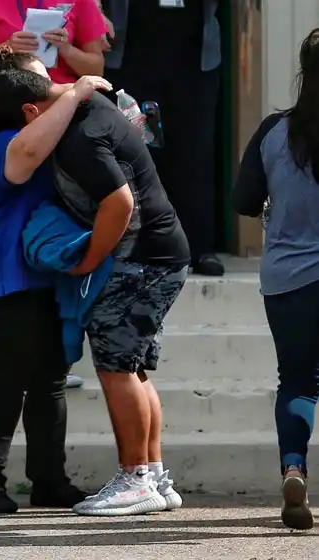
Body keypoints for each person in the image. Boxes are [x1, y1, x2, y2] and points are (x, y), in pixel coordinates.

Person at [11, 60, 189, 516]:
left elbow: (119, 201)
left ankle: (135, 479)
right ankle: (153, 474)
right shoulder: (87, 110)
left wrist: (89, 261)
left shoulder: (78, 137)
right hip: (161, 255)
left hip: (143, 259)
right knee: (131, 367)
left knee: (115, 366)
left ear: (34, 113)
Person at [0, 44, 110, 514]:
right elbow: (27, 147)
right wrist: (79, 89)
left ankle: (49, 480)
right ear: (26, 108)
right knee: (4, 383)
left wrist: (83, 94)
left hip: (43, 280)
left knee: (50, 381)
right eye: (45, 94)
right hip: (0, 284)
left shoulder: (27, 134)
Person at [0, 0, 107, 390]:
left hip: (60, 124)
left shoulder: (81, 3)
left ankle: (58, 350)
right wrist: (6, 50)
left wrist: (67, 50)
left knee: (57, 229)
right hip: (2, 125)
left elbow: (97, 68)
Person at [232, 28, 319, 531]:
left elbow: (242, 202)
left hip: (288, 277)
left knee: (300, 383)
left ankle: (293, 467)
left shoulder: (273, 130)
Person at [100, 0, 224, 276]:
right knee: (135, 152)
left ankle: (199, 247)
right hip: (132, 50)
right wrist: (97, 13)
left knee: (195, 152)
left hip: (193, 57)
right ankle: (139, 247)